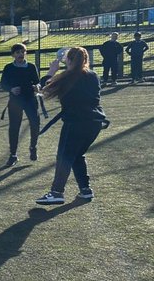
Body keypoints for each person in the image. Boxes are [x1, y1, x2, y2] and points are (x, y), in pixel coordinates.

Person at [34, 45, 108, 205]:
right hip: (94, 122)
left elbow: (44, 89)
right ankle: (85, 190)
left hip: (76, 122)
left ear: (68, 60)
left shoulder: (67, 76)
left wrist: (51, 72)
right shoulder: (93, 75)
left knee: (64, 157)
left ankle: (56, 192)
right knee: (77, 155)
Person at [0, 42, 41, 166]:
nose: (21, 54)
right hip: (15, 101)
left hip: (30, 99)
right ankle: (13, 155)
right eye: (18, 52)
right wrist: (11, 89)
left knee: (35, 123)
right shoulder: (8, 68)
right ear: (13, 55)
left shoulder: (31, 67)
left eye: (23, 51)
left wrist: (37, 87)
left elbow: (38, 82)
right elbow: (3, 84)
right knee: (14, 128)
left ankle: (33, 147)